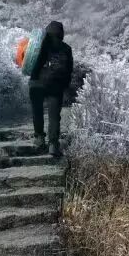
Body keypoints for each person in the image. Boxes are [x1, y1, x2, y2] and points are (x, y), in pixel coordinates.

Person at [29, 21, 73, 157]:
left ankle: (39, 138)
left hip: (36, 83)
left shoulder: (39, 44)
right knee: (54, 116)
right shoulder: (66, 48)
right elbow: (69, 70)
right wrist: (64, 86)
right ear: (61, 33)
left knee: (37, 111)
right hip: (55, 85)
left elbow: (28, 60)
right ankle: (53, 145)